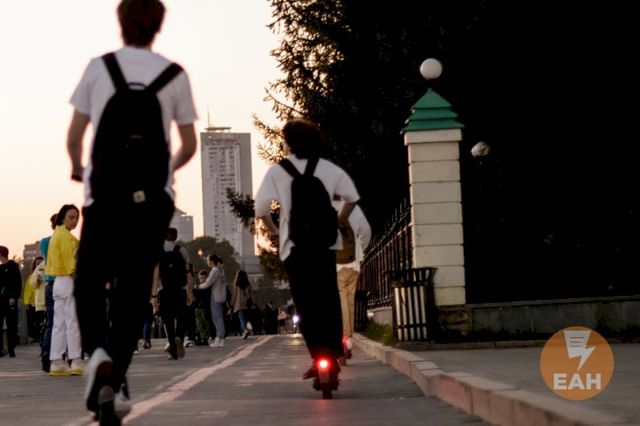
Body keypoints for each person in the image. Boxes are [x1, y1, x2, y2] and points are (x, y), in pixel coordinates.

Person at [67, 0, 197, 423]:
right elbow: (188, 144)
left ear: (120, 23)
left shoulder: (99, 68)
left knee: (90, 280)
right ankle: (116, 375)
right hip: (152, 200)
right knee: (134, 286)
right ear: (158, 26)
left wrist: (78, 167)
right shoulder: (174, 75)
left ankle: (98, 356)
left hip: (104, 197)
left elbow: (75, 136)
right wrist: (165, 172)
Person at [254, 118, 359, 383]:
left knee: (305, 302)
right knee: (328, 299)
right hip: (324, 245)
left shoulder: (278, 171)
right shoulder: (327, 168)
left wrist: (275, 230)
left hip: (294, 248)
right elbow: (352, 198)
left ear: (288, 143)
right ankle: (333, 354)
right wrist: (339, 220)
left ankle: (317, 357)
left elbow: (261, 209)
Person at [46, 204, 84, 376]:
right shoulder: (67, 238)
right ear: (62, 218)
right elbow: (72, 266)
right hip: (69, 280)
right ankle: (76, 360)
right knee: (73, 323)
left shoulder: (56, 235)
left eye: (77, 217)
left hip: (58, 282)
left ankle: (56, 362)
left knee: (58, 324)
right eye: (71, 217)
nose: (75, 221)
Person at [333, 198, 371, 362]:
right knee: (349, 301)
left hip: (335, 266)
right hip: (353, 264)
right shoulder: (352, 208)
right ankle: (348, 339)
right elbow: (366, 231)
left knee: (339, 302)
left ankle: (342, 337)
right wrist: (359, 250)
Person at [152, 227, 191, 360]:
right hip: (180, 290)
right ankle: (179, 336)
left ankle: (173, 351)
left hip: (164, 291)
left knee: (167, 321)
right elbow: (189, 274)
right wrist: (189, 293)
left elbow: (156, 276)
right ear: (175, 237)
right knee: (180, 317)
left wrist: (153, 296)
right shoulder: (182, 251)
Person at [39, 213, 58, 372]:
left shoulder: (45, 242)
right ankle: (63, 354)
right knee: (65, 323)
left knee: (51, 322)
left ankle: (46, 352)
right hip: (61, 281)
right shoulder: (65, 240)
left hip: (48, 282)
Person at [197, 255, 227, 348]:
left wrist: (198, 287)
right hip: (221, 295)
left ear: (212, 261)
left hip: (215, 296)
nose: (207, 262)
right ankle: (220, 339)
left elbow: (207, 283)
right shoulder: (221, 270)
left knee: (216, 317)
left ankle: (219, 337)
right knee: (219, 317)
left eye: (208, 260)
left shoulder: (215, 271)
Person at [0, 245, 22, 358]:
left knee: (11, 325)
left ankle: (11, 348)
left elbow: (18, 283)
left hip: (10, 299)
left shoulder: (13, 266)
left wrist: (14, 296)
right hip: (1, 300)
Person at [22, 256, 45, 344]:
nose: (38, 265)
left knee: (41, 321)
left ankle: (40, 337)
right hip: (33, 303)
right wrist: (27, 302)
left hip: (42, 302)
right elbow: (27, 290)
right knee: (32, 322)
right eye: (37, 264)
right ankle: (34, 337)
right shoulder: (31, 277)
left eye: (40, 263)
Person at [230, 270, 253, 339]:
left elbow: (234, 295)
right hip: (247, 303)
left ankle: (245, 330)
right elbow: (251, 293)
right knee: (245, 318)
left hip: (239, 304)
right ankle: (245, 330)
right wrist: (253, 302)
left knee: (241, 318)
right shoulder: (248, 284)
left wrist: (232, 303)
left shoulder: (236, 284)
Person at [193, 269, 212, 345]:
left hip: (204, 307)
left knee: (206, 323)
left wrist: (195, 290)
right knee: (199, 325)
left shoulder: (207, 287)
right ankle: (203, 338)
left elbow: (202, 295)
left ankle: (206, 338)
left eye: (203, 278)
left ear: (207, 277)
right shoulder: (199, 287)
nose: (202, 280)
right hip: (197, 307)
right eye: (200, 278)